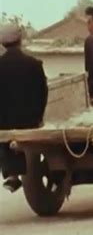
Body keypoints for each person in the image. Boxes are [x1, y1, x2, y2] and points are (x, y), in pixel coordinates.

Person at [0, 24, 48, 192]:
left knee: (5, 139)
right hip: (30, 119)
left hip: (4, 122)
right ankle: (18, 172)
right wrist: (39, 117)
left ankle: (12, 175)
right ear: (20, 41)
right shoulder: (34, 64)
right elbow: (43, 92)